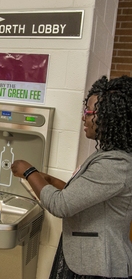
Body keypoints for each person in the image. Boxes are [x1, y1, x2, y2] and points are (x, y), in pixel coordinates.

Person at [11, 75, 132, 279]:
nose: (83, 117)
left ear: (110, 117)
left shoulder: (116, 164)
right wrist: (48, 180)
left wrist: (29, 171)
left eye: (88, 112)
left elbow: (61, 205)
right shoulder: (106, 155)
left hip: (99, 266)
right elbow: (82, 193)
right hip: (83, 257)